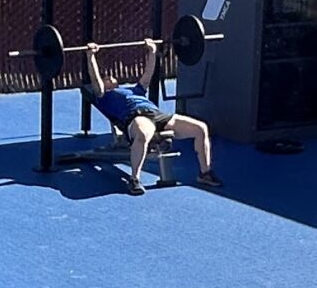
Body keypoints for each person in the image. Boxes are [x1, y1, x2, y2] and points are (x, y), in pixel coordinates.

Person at [77, 42, 222, 191]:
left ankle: (205, 173)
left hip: (158, 115)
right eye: (106, 78)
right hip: (137, 117)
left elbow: (147, 75)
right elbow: (95, 79)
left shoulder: (134, 90)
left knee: (200, 128)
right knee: (142, 134)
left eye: (111, 77)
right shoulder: (104, 96)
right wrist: (91, 56)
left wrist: (152, 52)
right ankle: (134, 180)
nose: (110, 78)